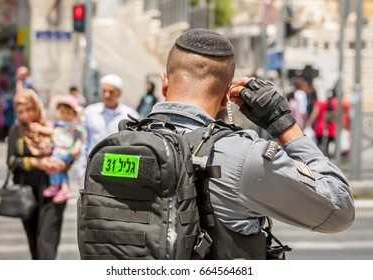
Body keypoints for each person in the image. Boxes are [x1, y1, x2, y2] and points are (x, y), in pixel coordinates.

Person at [145, 29, 354, 259]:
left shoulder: (108, 148)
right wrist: (282, 123)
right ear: (227, 97)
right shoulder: (242, 157)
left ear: (164, 83)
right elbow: (338, 208)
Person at [7, 89, 69, 259]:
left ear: (36, 107)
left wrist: (63, 163)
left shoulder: (51, 127)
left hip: (53, 190)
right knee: (34, 243)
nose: (26, 115)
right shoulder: (16, 131)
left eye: (29, 109)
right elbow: (12, 161)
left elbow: (67, 148)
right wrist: (36, 162)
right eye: (21, 112)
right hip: (28, 193)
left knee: (47, 243)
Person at [76, 74, 139, 179]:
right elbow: (84, 143)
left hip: (118, 170)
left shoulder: (130, 116)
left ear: (119, 93)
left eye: (111, 92)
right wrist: (80, 171)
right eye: (104, 91)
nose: (107, 95)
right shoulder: (90, 112)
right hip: (92, 167)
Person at [30, 94, 85, 204]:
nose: (65, 116)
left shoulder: (74, 127)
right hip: (58, 150)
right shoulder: (57, 125)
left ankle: (60, 187)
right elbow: (50, 131)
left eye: (68, 113)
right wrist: (39, 128)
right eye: (63, 112)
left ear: (73, 114)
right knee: (56, 166)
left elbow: (81, 138)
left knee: (54, 164)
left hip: (66, 150)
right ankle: (60, 187)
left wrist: (76, 147)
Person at [305, 86, 351, 158]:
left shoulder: (320, 103)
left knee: (321, 147)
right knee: (335, 147)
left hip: (321, 129)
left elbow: (314, 115)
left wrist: (308, 124)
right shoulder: (337, 103)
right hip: (333, 129)